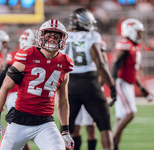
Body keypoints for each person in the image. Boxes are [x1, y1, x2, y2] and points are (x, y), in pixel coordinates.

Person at [0, 19, 74, 150]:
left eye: (56, 35)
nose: (52, 38)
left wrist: (65, 131)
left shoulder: (64, 63)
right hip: (19, 121)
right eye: (49, 35)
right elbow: (5, 87)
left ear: (62, 39)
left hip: (45, 122)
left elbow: (63, 101)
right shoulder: (27, 55)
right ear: (41, 36)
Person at [65, 8, 116, 150]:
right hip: (90, 84)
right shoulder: (92, 36)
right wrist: (111, 87)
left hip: (69, 86)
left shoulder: (64, 37)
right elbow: (100, 64)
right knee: (105, 127)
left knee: (66, 131)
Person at [112, 18, 153, 150]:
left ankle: (114, 146)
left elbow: (133, 72)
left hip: (128, 84)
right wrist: (112, 86)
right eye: (139, 32)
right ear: (131, 31)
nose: (141, 35)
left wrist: (143, 90)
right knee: (131, 113)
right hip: (121, 83)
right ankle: (110, 141)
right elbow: (115, 65)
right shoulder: (126, 44)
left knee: (121, 118)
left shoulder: (135, 47)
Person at [0, 28, 37, 150]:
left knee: (19, 131)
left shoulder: (14, 55)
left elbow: (0, 80)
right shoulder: (38, 57)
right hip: (23, 97)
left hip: (14, 97)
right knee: (19, 131)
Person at [71, 41, 109, 150]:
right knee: (75, 129)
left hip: (92, 94)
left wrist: (96, 87)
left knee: (90, 128)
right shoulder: (83, 46)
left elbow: (103, 68)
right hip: (79, 91)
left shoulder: (96, 43)